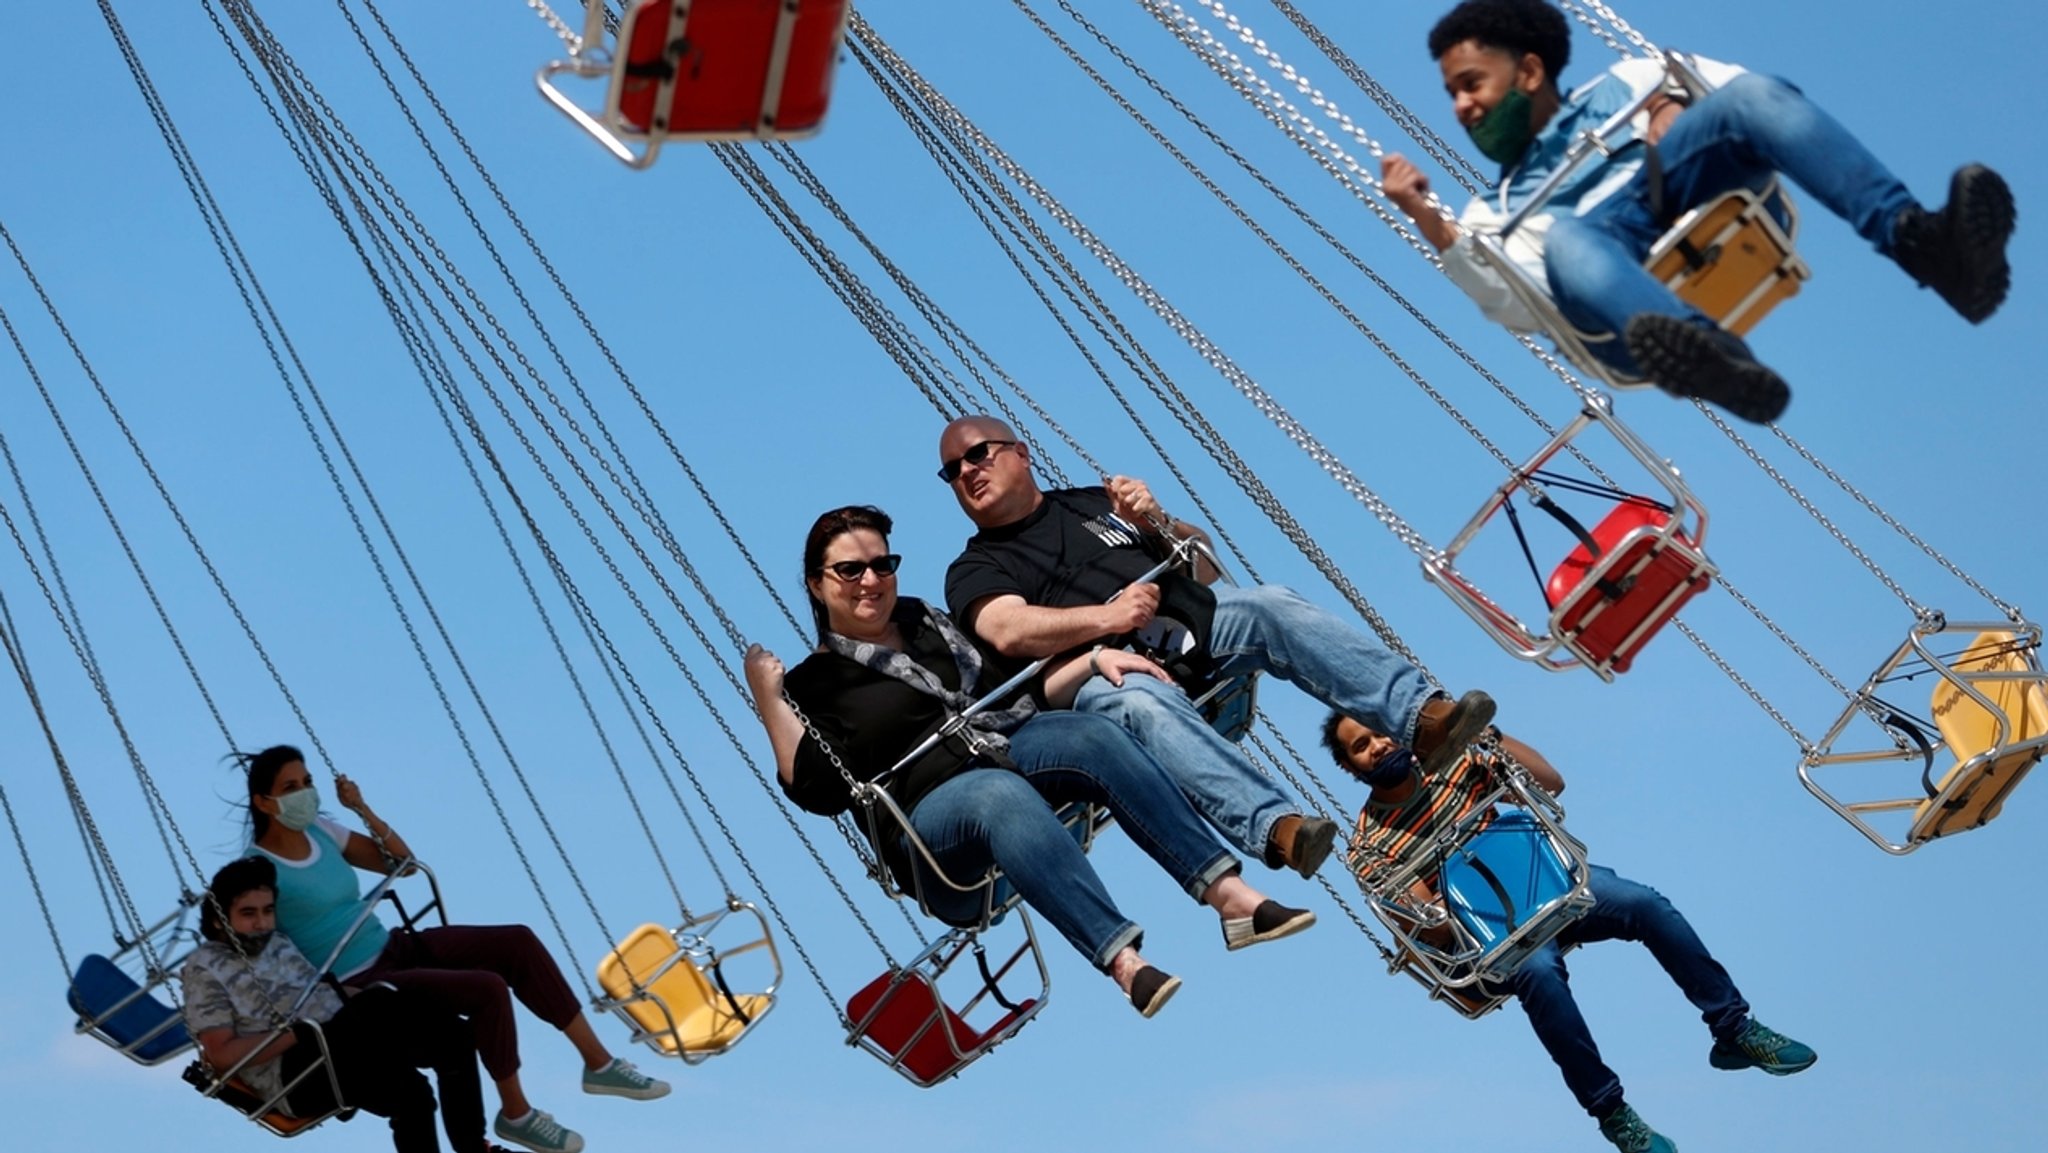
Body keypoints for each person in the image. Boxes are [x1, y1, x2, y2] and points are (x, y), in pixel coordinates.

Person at [745, 505, 1317, 1018]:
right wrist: (769, 697)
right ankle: (1123, 961)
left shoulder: (927, 623)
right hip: (932, 823)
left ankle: (1227, 894)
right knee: (999, 794)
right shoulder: (814, 684)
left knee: (1093, 734)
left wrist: (1098, 661)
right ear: (818, 585)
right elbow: (818, 791)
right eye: (851, 570)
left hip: (1003, 743)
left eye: (883, 564)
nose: (871, 581)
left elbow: (1020, 695)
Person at [1382, 0, 2016, 424]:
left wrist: (1673, 98)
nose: (1461, 106)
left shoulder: (1629, 83)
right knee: (1570, 237)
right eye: (1452, 94)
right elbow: (1520, 305)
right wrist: (1429, 221)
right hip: (1612, 285)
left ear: (1527, 71)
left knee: (1757, 96)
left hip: (1677, 190)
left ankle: (1927, 245)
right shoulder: (1495, 214)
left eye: (1471, 83)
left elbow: (1746, 101)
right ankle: (1711, 359)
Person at [937, 414, 1497, 879]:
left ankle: (1421, 718)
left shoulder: (1091, 503)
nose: (967, 472)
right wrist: (1106, 618)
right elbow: (1008, 629)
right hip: (1107, 672)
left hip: (1190, 628)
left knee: (1269, 603)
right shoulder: (975, 567)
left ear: (1021, 453)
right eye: (953, 471)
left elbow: (1203, 564)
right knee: (1139, 702)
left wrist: (1155, 521)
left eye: (978, 454)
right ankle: (1276, 828)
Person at [1322, 712, 1816, 1153]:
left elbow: (1550, 783)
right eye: (1362, 745)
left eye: (1380, 732)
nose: (1379, 746)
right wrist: (1427, 893)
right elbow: (1424, 928)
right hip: (1494, 931)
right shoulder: (1371, 843)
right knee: (1538, 972)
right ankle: (1612, 1112)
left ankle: (1733, 1029)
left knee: (1644, 904)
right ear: (1351, 767)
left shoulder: (1456, 761)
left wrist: (1481, 734)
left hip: (1548, 879)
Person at [239, 744, 670, 1153]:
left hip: (394, 946)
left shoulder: (321, 831)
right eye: (291, 788)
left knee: (516, 941)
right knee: (485, 989)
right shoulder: (259, 870)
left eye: (307, 782)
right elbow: (260, 948)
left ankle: (598, 1064)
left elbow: (401, 866)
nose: (305, 795)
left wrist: (361, 809)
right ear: (263, 802)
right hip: (361, 982)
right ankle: (516, 1114)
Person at [182, 856, 508, 1153]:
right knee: (412, 1095)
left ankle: (472, 1147)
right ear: (218, 920)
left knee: (452, 1037)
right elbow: (221, 1055)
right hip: (295, 1067)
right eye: (248, 914)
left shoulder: (278, 943)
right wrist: (297, 1035)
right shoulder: (205, 966)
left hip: (344, 1031)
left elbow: (321, 994)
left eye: (268, 911)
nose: (262, 923)